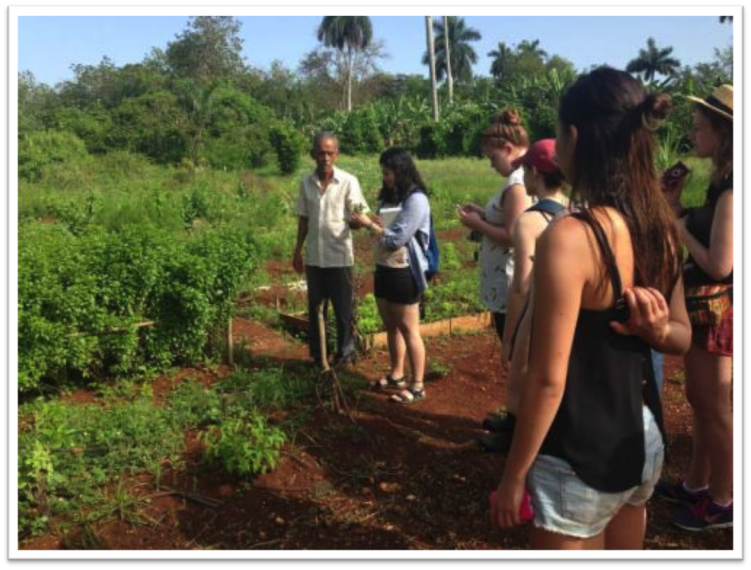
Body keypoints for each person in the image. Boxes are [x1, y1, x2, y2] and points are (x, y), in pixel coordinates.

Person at [490, 67, 691, 550]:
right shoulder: (660, 225)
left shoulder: (571, 237)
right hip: (640, 440)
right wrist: (657, 330)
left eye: (558, 134)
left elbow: (547, 379)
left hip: (577, 454)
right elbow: (682, 336)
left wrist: (513, 474)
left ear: (574, 137)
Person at [656, 85, 734, 532]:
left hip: (716, 307)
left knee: (714, 406)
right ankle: (698, 483)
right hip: (705, 307)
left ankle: (724, 500)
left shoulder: (732, 189)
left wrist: (678, 224)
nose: (693, 131)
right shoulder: (720, 183)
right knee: (700, 401)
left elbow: (720, 263)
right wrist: (677, 206)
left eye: (700, 126)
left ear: (722, 132)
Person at [480, 139, 569, 453]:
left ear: (534, 172)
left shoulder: (528, 222)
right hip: (564, 311)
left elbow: (521, 286)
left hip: (534, 311)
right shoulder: (573, 211)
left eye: (525, 170)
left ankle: (518, 437)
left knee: (522, 372)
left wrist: (510, 339)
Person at [352, 148, 432, 405]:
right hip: (384, 267)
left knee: (409, 329)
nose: (385, 177)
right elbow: (384, 231)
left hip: (404, 271)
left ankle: (417, 384)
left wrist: (369, 225)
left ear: (401, 171)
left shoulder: (416, 200)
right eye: (383, 173)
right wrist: (376, 223)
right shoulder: (391, 197)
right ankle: (397, 375)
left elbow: (397, 238)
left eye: (388, 172)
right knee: (391, 327)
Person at [293, 132, 370, 368]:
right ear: (313, 154)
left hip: (340, 257)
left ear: (336, 155)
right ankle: (319, 356)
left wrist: (358, 222)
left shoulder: (348, 181)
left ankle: (345, 354)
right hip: (315, 257)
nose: (325, 157)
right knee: (316, 309)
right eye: (321, 152)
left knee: (343, 310)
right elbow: (304, 219)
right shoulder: (306, 183)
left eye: (330, 153)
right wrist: (297, 250)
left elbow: (358, 216)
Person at [458, 110, 533, 347]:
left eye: (493, 158)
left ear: (508, 149)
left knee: (514, 349)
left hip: (511, 280)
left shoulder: (516, 184)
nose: (492, 165)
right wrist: (483, 213)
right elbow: (512, 220)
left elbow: (513, 236)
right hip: (510, 279)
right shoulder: (523, 177)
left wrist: (476, 224)